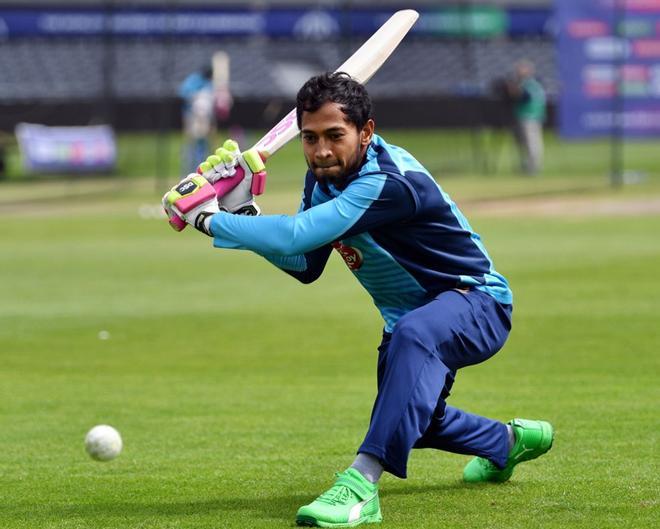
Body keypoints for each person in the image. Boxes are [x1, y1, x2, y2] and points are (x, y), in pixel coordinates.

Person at [163, 72, 554, 527]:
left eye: (335, 136)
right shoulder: (322, 178)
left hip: (475, 303)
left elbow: (297, 232)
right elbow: (303, 262)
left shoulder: (389, 181)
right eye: (309, 138)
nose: (321, 151)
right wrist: (242, 212)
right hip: (411, 319)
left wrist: (210, 221)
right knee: (413, 420)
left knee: (413, 338)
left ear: (366, 132)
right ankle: (506, 442)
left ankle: (360, 485)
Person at [507, 60, 546, 175]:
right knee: (529, 143)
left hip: (528, 116)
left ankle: (533, 167)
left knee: (531, 143)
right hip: (533, 116)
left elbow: (525, 97)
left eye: (521, 69)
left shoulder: (527, 84)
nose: (518, 72)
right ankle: (529, 166)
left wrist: (514, 91)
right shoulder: (534, 83)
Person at [179, 65, 215, 173]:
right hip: (192, 115)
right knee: (191, 144)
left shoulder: (209, 83)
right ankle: (187, 172)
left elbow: (211, 101)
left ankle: (202, 171)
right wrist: (195, 96)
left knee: (203, 144)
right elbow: (182, 93)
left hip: (205, 117)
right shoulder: (194, 79)